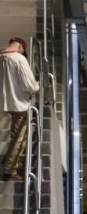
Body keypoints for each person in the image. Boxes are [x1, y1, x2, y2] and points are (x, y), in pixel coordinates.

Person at [0, 37, 39, 180]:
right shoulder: (19, 59)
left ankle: (8, 159)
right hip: (19, 104)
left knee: (14, 135)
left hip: (3, 102)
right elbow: (29, 84)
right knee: (18, 137)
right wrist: (37, 87)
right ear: (21, 48)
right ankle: (10, 169)